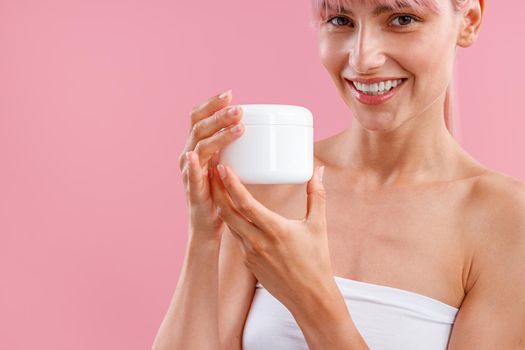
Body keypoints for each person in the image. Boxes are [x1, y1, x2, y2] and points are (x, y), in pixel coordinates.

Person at [152, 0, 525, 349]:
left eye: (402, 19)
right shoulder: (279, 179)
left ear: (469, 20)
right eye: (340, 20)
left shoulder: (506, 221)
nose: (363, 58)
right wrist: (204, 237)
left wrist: (312, 299)